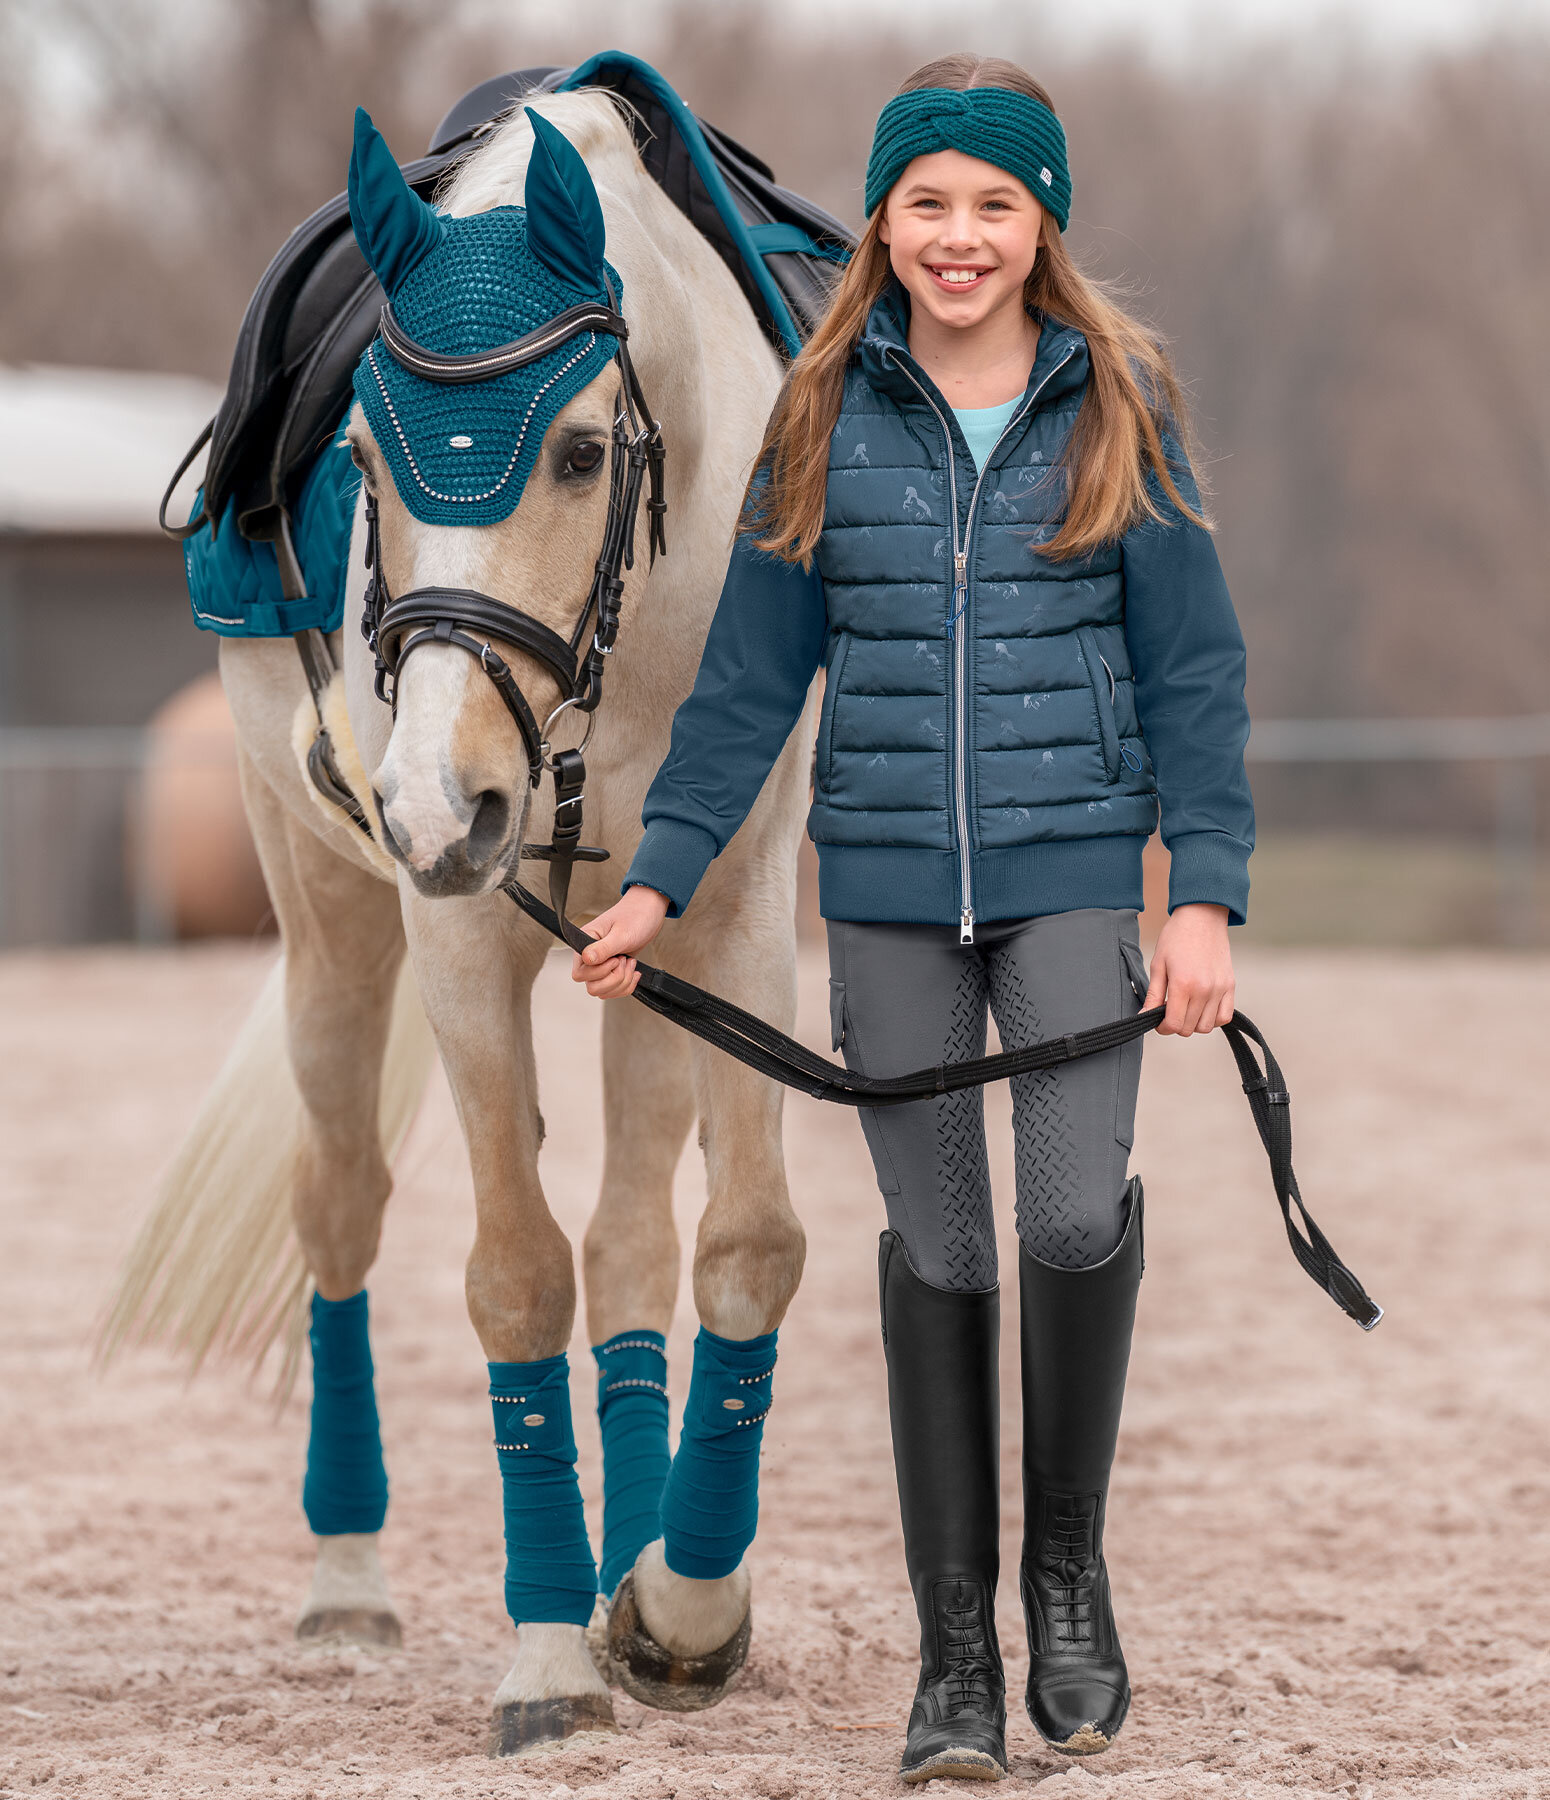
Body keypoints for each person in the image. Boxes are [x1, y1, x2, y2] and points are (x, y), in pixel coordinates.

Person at [572, 50, 1253, 1785]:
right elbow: (743, 687)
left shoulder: (1121, 401)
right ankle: (955, 1655)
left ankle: (1067, 1586)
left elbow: (1192, 672)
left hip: (1074, 878)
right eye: (929, 201)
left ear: (1044, 226)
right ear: (881, 218)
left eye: (996, 205)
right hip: (881, 895)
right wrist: (656, 879)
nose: (961, 237)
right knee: (939, 1251)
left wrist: (1203, 903)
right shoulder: (819, 411)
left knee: (1067, 1213)